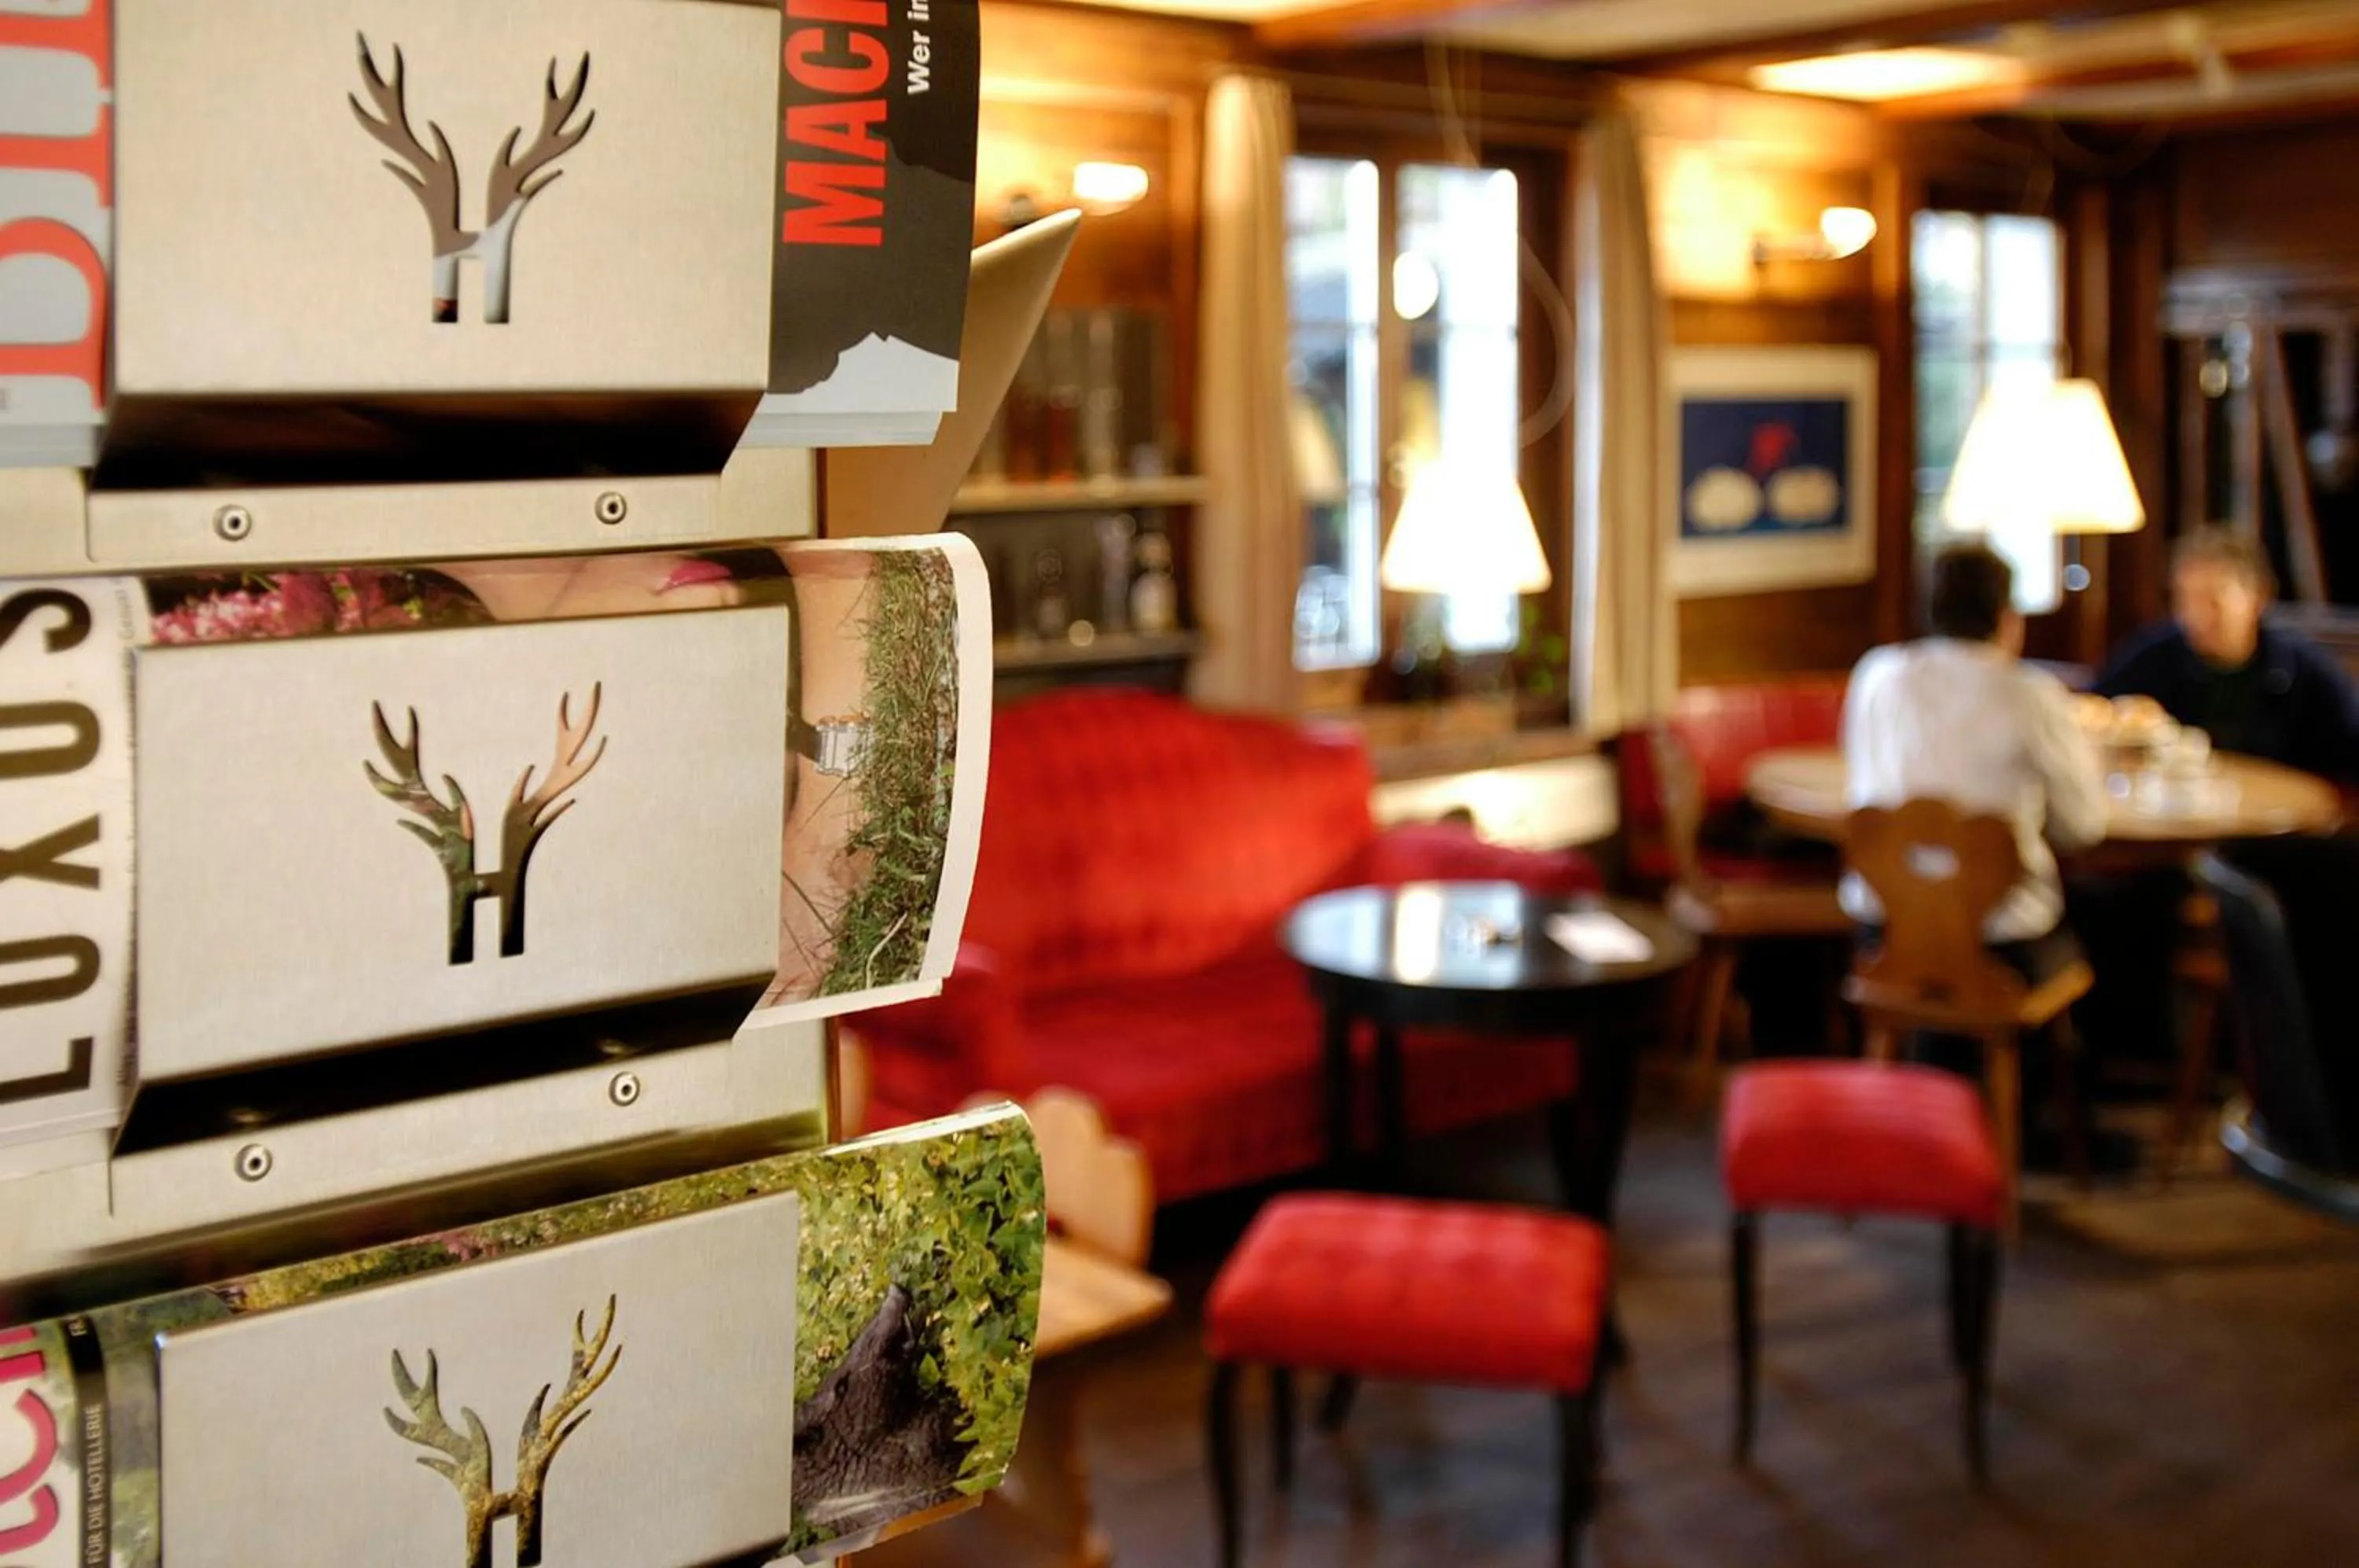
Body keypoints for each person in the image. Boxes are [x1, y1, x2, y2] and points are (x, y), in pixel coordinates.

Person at [1842, 542, 2109, 984]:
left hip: (1882, 930)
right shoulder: (2030, 694)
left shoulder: (1876, 675)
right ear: (2007, 617)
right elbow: (2084, 826)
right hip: (2000, 944)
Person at [2095, 525, 2359, 785]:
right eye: (2186, 599)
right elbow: (2096, 707)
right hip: (2179, 820)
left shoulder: (2302, 670)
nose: (2197, 616)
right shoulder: (2154, 656)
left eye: (2213, 599)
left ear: (2258, 597)